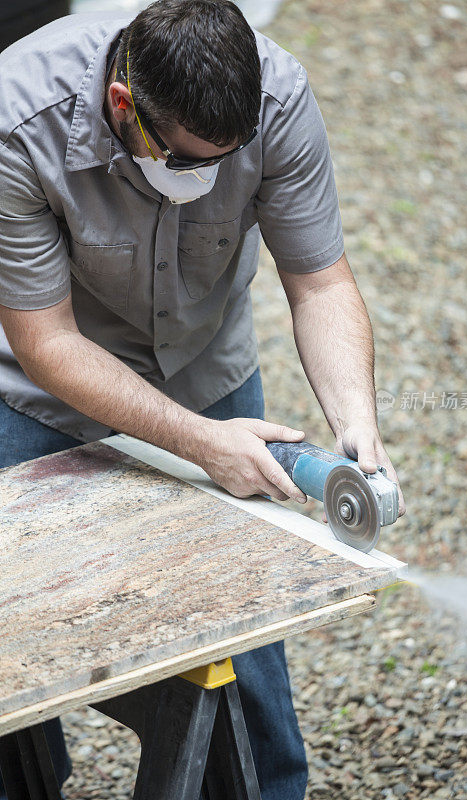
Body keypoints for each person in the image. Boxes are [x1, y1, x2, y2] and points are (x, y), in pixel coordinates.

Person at [0, 1, 406, 797]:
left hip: (203, 368)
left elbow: (319, 281)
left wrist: (356, 426)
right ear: (124, 105)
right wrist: (197, 443)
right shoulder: (19, 119)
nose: (205, 179)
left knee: (246, 652)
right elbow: (47, 342)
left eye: (225, 159)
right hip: (33, 391)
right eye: (184, 160)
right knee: (15, 630)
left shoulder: (279, 99)